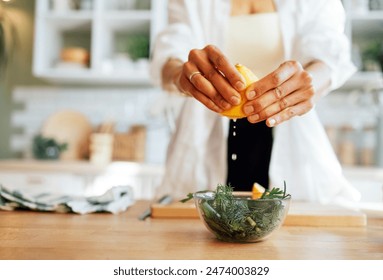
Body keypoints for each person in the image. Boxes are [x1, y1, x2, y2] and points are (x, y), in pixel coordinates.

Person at [150, 0, 361, 204]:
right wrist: (183, 75)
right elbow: (171, 52)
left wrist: (310, 81)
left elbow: (330, 53)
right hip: (204, 142)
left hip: (289, 135)